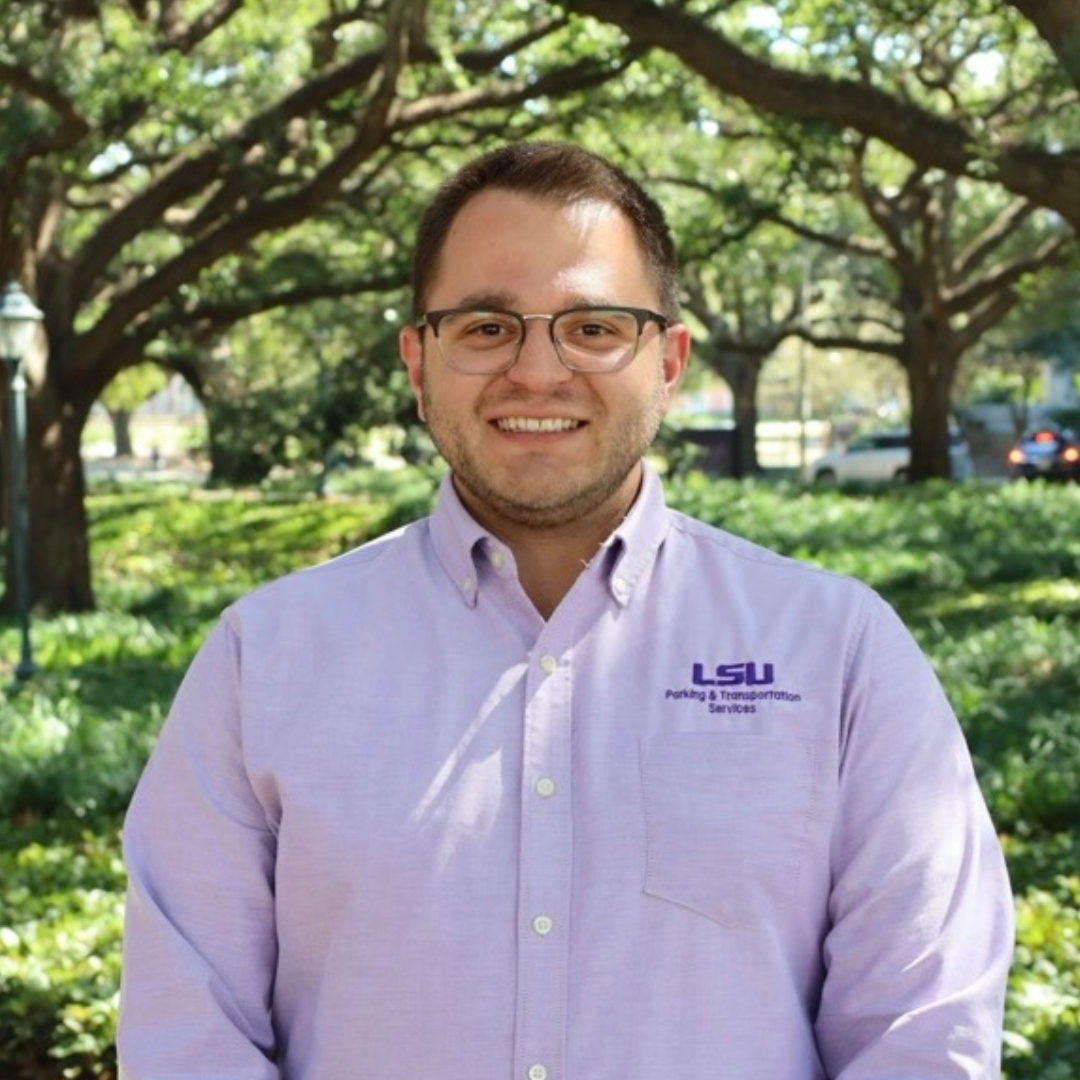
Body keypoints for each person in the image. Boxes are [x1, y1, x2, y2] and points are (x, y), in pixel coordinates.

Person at [118, 141, 1013, 1080]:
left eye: (593, 327)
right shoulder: (266, 657)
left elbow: (922, 1037)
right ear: (418, 362)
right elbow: (189, 1037)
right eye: (486, 326)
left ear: (667, 361)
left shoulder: (839, 654)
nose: (538, 372)